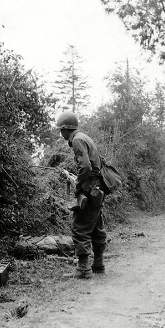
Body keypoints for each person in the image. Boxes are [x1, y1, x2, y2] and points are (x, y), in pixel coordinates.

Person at [57, 111, 107, 279]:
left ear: (66, 129)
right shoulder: (84, 137)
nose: (60, 133)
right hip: (97, 187)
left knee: (80, 226)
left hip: (90, 187)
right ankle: (98, 263)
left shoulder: (77, 140)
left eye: (60, 130)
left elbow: (85, 167)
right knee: (95, 224)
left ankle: (83, 269)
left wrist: (78, 186)